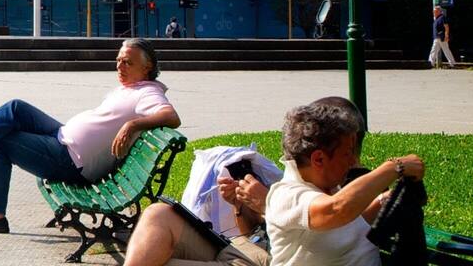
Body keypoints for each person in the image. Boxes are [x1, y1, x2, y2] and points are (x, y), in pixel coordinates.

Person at [0, 38, 181, 233]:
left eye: (128, 62)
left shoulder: (148, 92)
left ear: (147, 67)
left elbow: (171, 116)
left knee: (1, 142)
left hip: (72, 161)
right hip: (62, 137)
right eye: (119, 61)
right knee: (15, 108)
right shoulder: (131, 87)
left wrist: (132, 125)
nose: (120, 66)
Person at [265, 97, 424, 266]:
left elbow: (346, 228)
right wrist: (394, 166)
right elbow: (335, 210)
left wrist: (384, 200)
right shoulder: (286, 195)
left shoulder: (330, 187)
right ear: (319, 159)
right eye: (347, 153)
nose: (353, 161)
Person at [125, 172, 273, 266]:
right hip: (238, 247)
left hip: (269, 260)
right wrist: (239, 205)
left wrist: (268, 204)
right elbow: (253, 230)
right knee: (159, 214)